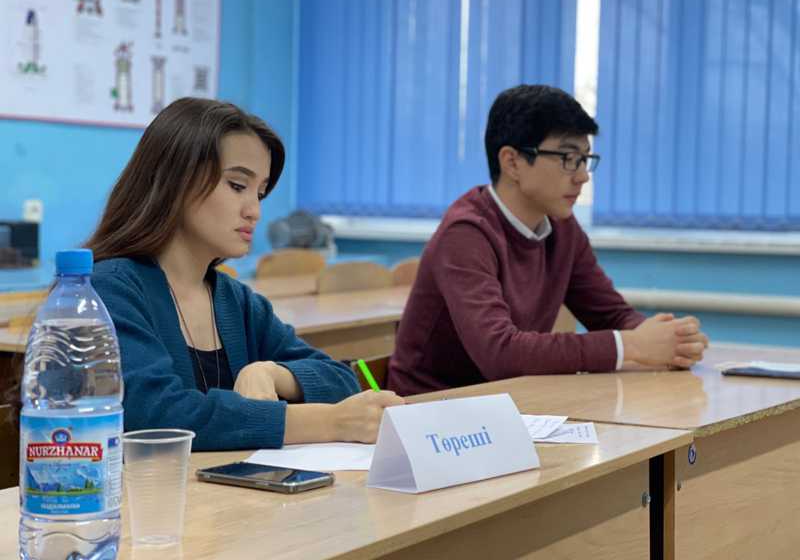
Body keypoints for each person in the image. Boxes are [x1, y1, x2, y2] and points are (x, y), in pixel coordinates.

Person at [84, 97, 403, 450]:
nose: (254, 211)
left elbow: (341, 380)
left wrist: (271, 372)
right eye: (237, 186)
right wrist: (328, 422)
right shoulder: (107, 290)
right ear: (175, 180)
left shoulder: (234, 300)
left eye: (260, 193)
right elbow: (158, 415)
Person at [388, 85, 709, 396]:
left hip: (511, 401)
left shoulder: (562, 227)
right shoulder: (466, 234)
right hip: (433, 410)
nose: (582, 176)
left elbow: (610, 314)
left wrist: (670, 339)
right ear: (512, 162)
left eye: (585, 159)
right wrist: (633, 345)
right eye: (568, 157)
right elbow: (500, 353)